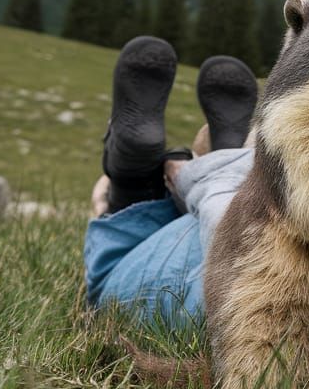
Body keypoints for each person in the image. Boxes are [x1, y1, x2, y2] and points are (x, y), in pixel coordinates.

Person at [83, 36, 258, 329]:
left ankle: (131, 186)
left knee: (107, 281)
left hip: (216, 297)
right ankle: (223, 157)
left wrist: (190, 177)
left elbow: (235, 241)